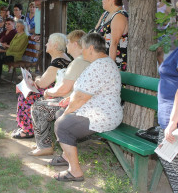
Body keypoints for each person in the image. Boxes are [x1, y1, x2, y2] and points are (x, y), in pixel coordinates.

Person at [53, 33, 122, 182]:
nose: (82, 51)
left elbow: (81, 97)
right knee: (60, 115)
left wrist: (68, 110)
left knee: (62, 124)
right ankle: (67, 157)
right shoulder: (101, 63)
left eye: (83, 48)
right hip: (97, 110)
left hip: (104, 115)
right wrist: (69, 100)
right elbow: (84, 92)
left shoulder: (100, 66)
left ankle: (75, 172)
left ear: (91, 48)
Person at [29, 30, 90, 156]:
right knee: (41, 103)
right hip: (80, 101)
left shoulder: (78, 62)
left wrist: (48, 92)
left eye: (68, 42)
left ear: (74, 44)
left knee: (38, 106)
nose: (66, 46)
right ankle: (45, 143)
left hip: (76, 103)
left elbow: (64, 89)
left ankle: (44, 146)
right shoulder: (83, 60)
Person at [12, 33, 71, 139]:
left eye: (49, 42)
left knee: (26, 95)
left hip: (58, 95)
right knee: (26, 90)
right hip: (60, 92)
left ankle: (27, 130)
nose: (46, 44)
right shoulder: (63, 58)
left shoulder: (58, 62)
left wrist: (36, 79)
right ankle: (27, 127)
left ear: (55, 45)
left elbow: (42, 83)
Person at [157, 45, 178, 192]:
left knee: (168, 157)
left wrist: (173, 121)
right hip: (169, 113)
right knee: (167, 156)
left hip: (173, 116)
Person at [94, 0, 128, 71]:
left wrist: (110, 69)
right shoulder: (105, 14)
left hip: (113, 64)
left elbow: (114, 43)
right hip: (99, 62)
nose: (102, 0)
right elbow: (95, 32)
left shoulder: (119, 16)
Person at [156, 0, 175, 65]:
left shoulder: (168, 6)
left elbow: (167, 22)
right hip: (153, 33)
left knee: (159, 57)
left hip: (161, 33)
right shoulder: (156, 4)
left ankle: (164, 76)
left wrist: (156, 20)